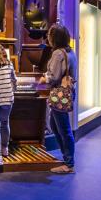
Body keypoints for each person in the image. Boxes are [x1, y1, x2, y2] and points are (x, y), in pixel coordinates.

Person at [40, 23, 77, 174]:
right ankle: (67, 159)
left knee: (64, 129)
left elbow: (53, 77)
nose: (48, 37)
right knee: (55, 126)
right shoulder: (70, 51)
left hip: (59, 94)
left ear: (54, 38)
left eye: (49, 35)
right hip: (68, 93)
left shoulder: (58, 54)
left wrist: (44, 79)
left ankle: (69, 164)